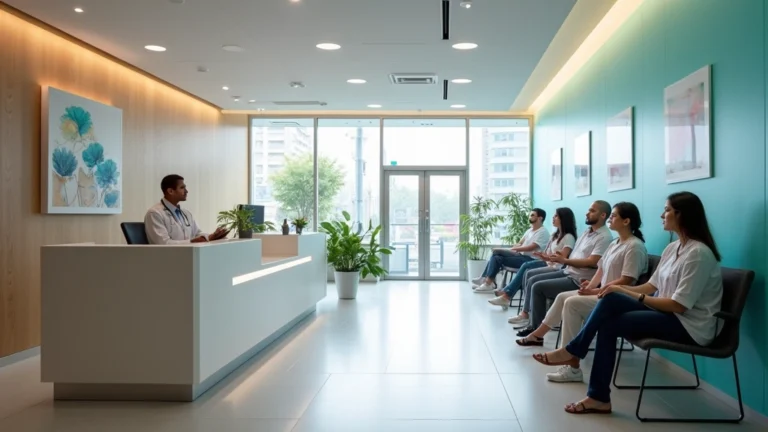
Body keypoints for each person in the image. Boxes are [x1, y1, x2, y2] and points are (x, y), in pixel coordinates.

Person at [533, 192, 723, 415]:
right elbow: (650, 286)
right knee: (611, 302)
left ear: (683, 215)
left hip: (688, 324)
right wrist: (619, 289)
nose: (662, 215)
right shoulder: (673, 248)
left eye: (667, 210)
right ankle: (593, 388)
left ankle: (578, 360)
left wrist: (631, 294)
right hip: (665, 312)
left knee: (609, 315)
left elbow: (678, 305)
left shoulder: (698, 254)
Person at [516, 202, 648, 384]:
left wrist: (594, 289)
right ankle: (542, 337)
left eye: (614, 216)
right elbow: (601, 271)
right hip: (602, 292)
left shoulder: (634, 246)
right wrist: (589, 288)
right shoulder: (616, 243)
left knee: (572, 303)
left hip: (618, 298)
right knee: (564, 297)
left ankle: (571, 364)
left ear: (626, 221)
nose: (611, 218)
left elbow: (627, 280)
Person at [508, 201, 613, 331]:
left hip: (579, 279)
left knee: (537, 285)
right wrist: (554, 258)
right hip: (568, 271)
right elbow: (573, 256)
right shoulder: (587, 232)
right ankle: (531, 320)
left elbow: (592, 262)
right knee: (531, 277)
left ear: (603, 215)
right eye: (588, 210)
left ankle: (534, 328)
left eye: (592, 211)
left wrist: (563, 260)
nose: (587, 213)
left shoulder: (604, 237)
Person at [487, 207, 578, 310]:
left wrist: (546, 257)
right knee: (497, 255)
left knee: (525, 266)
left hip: (554, 267)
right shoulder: (554, 235)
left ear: (563, 219)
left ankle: (506, 294)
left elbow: (561, 258)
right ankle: (500, 290)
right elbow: (548, 254)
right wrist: (543, 255)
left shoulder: (569, 237)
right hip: (545, 262)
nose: (553, 218)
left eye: (556, 216)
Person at [472, 209, 550, 293]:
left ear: (540, 218)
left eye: (532, 215)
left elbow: (531, 247)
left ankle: (487, 282)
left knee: (497, 257)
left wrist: (514, 249)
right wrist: (516, 247)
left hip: (530, 259)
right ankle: (487, 282)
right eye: (530, 215)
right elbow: (520, 243)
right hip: (520, 256)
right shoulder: (529, 230)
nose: (529, 217)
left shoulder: (543, 232)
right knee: (496, 255)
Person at [144, 174, 229, 245]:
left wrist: (213, 236)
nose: (186, 191)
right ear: (170, 191)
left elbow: (197, 234)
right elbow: (163, 243)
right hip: (167, 259)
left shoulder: (186, 213)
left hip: (187, 256)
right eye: (182, 188)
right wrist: (191, 242)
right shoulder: (155, 213)